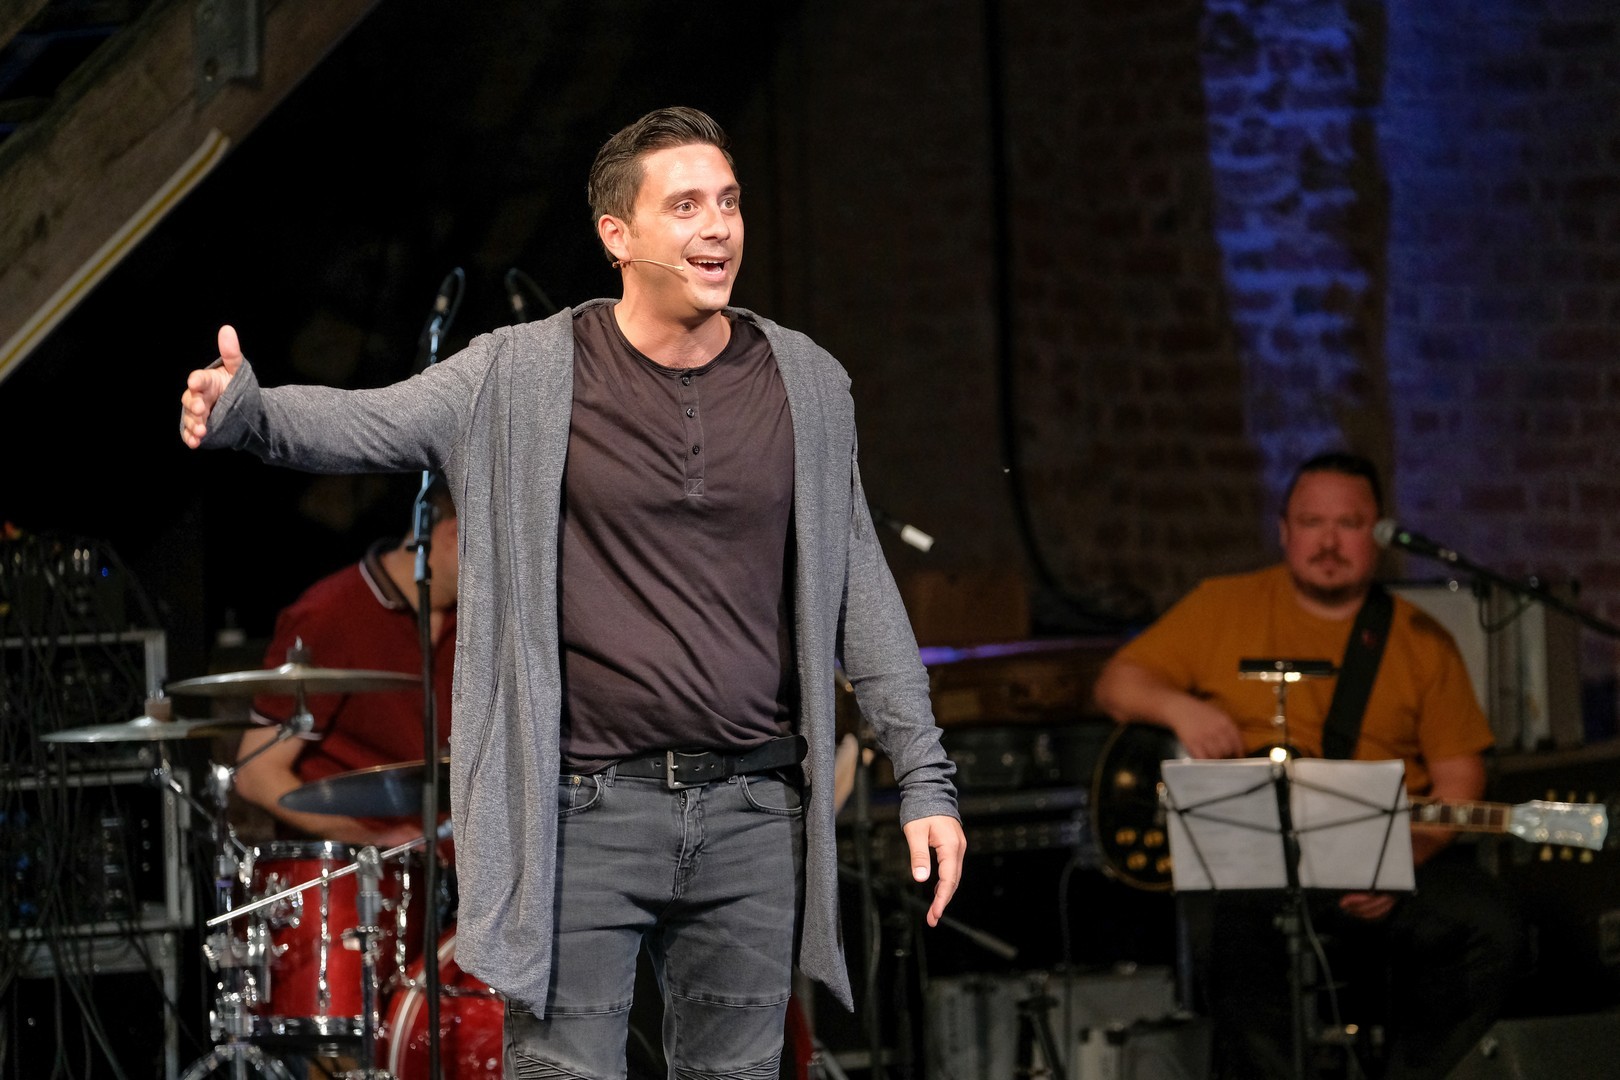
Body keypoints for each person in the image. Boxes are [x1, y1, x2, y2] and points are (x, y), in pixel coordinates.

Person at [179, 106, 965, 1079]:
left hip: (752, 815)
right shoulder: (521, 374)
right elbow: (367, 423)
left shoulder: (804, 381)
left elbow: (862, 596)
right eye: (686, 206)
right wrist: (249, 411)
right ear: (617, 236)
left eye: (727, 202)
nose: (718, 227)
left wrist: (925, 779)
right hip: (582, 819)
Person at [1092, 451, 1522, 1080]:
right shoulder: (1223, 605)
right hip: (1249, 861)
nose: (1328, 542)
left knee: (1491, 930)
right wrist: (1181, 710)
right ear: (1284, 531)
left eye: (1349, 524)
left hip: (1381, 857)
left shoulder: (1421, 639)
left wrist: (1402, 858)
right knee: (1234, 938)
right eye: (1311, 522)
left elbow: (1460, 777)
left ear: (1377, 536)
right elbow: (1116, 683)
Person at [232, 484, 458, 850]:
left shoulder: (476, 622)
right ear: (453, 533)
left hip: (460, 867)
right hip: (360, 868)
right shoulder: (329, 614)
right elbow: (256, 774)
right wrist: (374, 840)